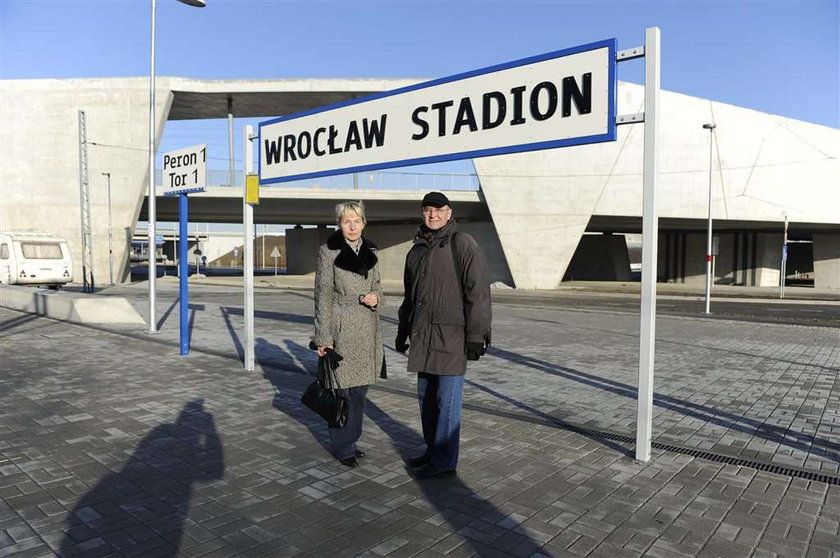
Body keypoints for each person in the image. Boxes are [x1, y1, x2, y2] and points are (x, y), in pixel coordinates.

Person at [396, 191, 492, 478]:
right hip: (423, 337)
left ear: (449, 213)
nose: (433, 215)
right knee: (427, 401)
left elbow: (479, 294)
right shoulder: (416, 251)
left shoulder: (462, 244)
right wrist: (403, 331)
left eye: (439, 210)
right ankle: (432, 452)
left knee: (446, 404)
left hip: (452, 339)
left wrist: (477, 335)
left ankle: (445, 461)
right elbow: (409, 298)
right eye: (428, 210)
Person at [313, 201, 386, 468]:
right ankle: (343, 446)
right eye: (346, 221)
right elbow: (322, 296)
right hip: (341, 327)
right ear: (339, 224)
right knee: (341, 392)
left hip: (367, 329)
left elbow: (378, 286)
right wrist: (323, 337)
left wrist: (376, 297)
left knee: (359, 392)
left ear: (364, 223)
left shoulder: (372, 250)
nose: (352, 226)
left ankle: (352, 439)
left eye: (357, 221)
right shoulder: (328, 251)